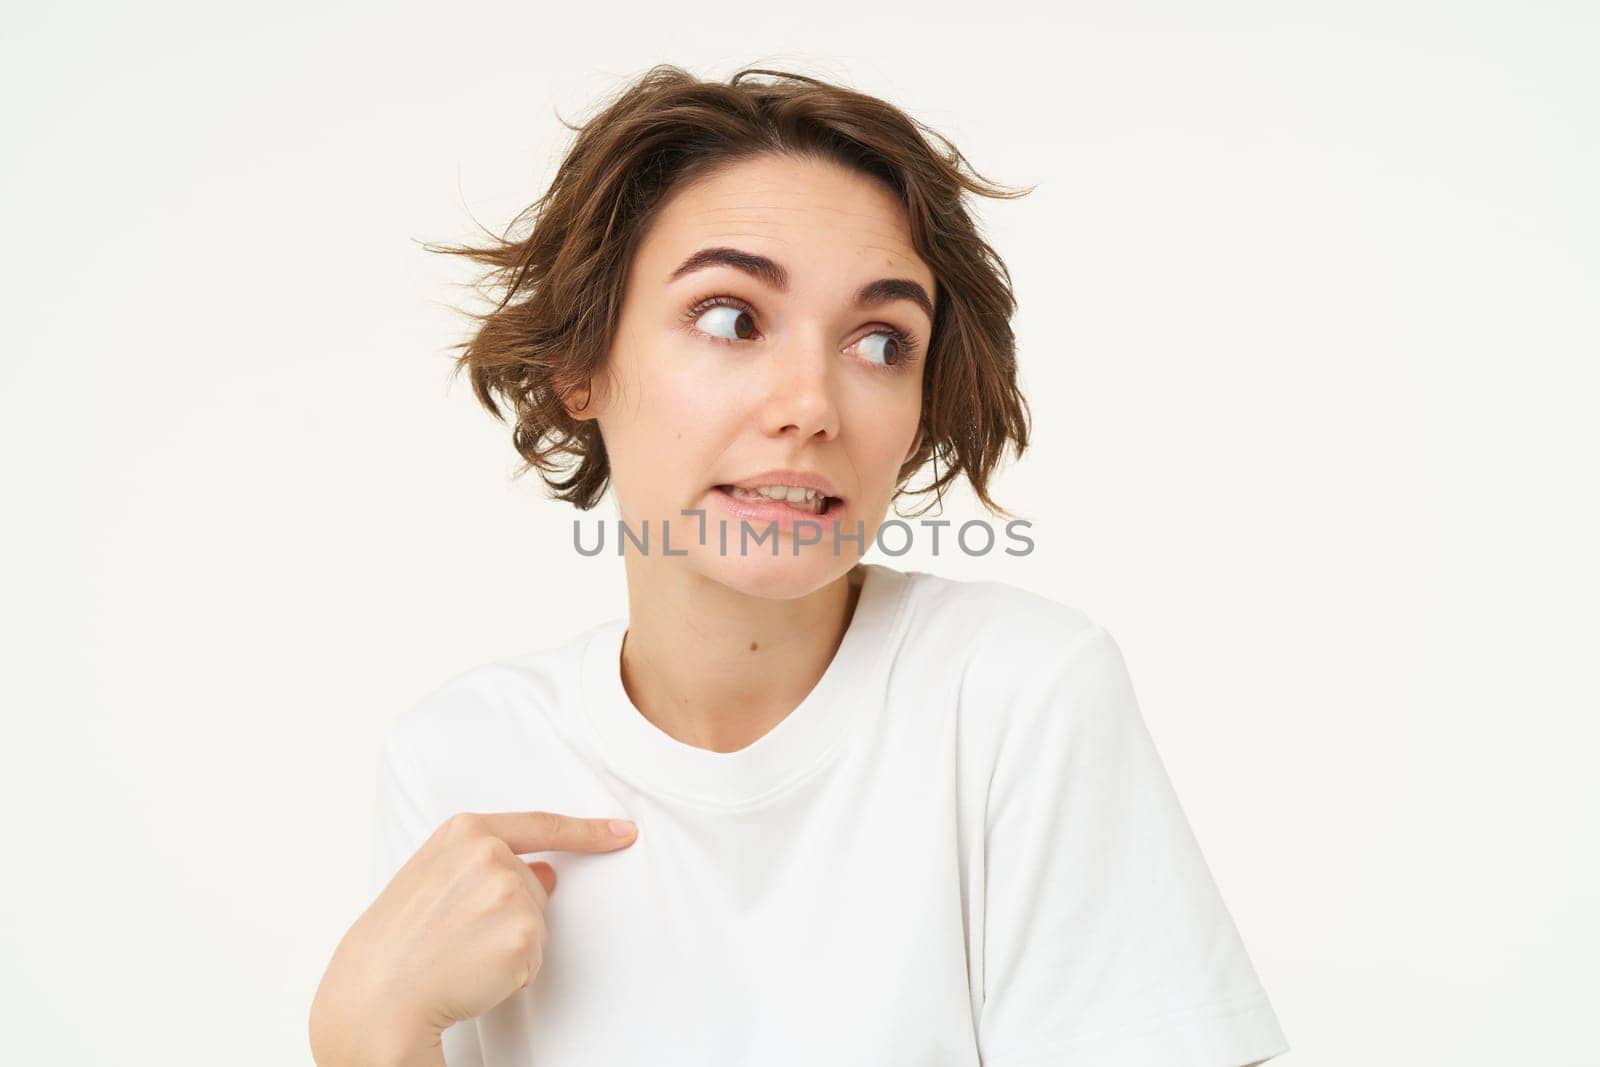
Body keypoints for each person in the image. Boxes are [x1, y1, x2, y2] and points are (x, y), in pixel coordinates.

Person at [309, 64, 1290, 1067]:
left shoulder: (1014, 694)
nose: (811, 403)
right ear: (580, 365)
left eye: (879, 341)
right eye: (732, 317)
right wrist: (369, 1034)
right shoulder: (466, 755)